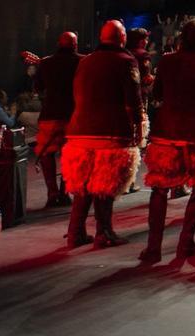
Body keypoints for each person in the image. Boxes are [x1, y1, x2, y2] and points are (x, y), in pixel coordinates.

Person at [140, 19, 195, 264]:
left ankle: (153, 248)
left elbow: (157, 94)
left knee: (159, 189)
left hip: (166, 135)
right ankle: (185, 243)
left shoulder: (166, 61)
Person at [61, 21, 143, 248]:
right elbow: (133, 101)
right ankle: (103, 232)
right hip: (110, 132)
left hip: (79, 132)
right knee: (106, 183)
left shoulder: (86, 61)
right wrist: (138, 127)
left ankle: (75, 232)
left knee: (83, 183)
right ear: (122, 38)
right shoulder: (126, 61)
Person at [33, 32, 80, 207]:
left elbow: (38, 88)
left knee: (46, 153)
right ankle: (65, 191)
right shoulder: (83, 61)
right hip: (74, 114)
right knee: (71, 154)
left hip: (50, 114)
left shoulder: (46, 62)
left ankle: (52, 193)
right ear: (75, 44)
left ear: (58, 44)